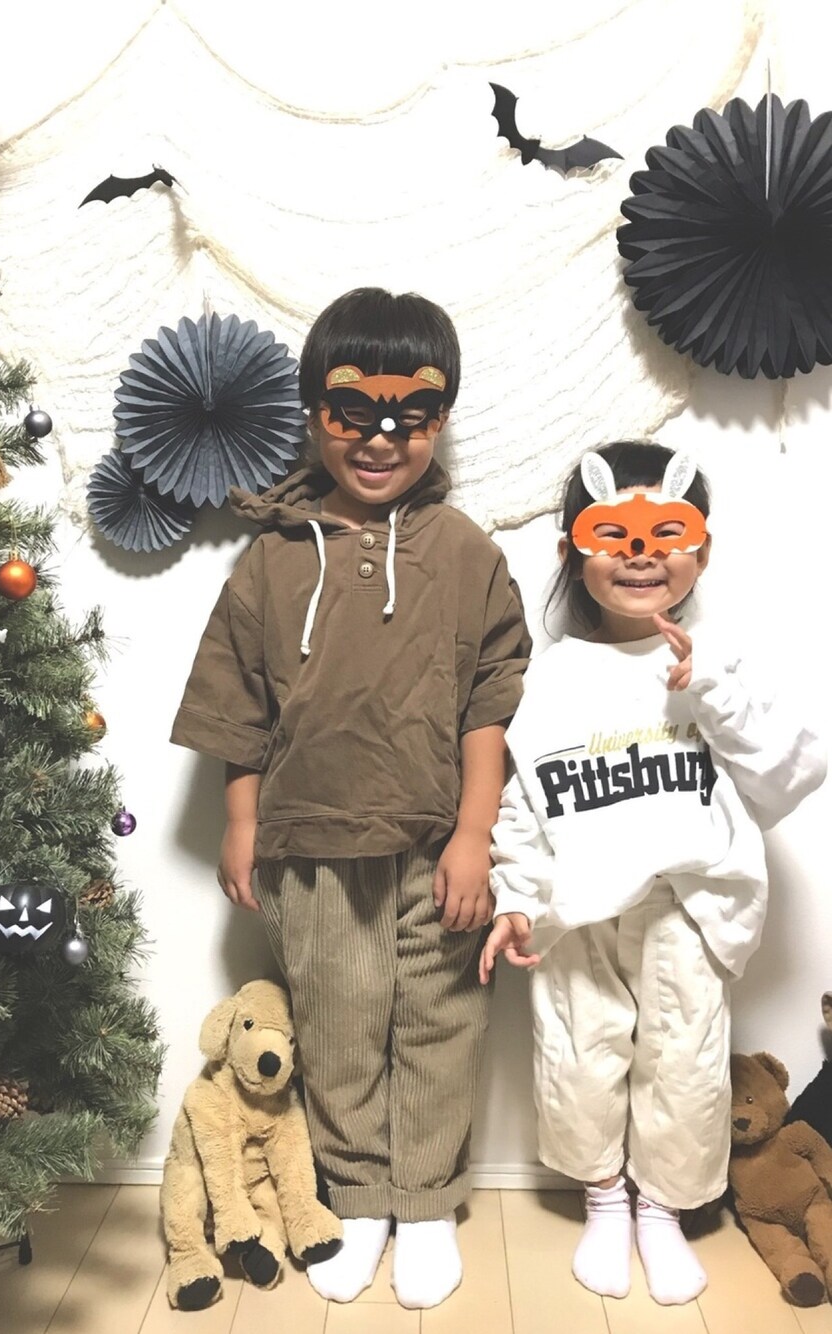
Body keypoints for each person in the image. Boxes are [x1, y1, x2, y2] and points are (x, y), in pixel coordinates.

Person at [172, 287, 531, 1309]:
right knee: (335, 1030)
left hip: (437, 848)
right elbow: (238, 702)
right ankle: (359, 1195)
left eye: (409, 415)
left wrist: (475, 833)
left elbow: (491, 699)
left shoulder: (466, 552)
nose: (380, 438)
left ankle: (426, 1201)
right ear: (312, 411)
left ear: (440, 417)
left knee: (440, 1026)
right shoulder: (271, 559)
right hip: (312, 850)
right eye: (352, 412)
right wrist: (242, 821)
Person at [479, 440, 825, 1305]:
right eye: (613, 535)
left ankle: (663, 1210)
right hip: (579, 907)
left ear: (700, 550)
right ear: (573, 552)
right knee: (578, 1056)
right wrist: (516, 896)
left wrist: (713, 694)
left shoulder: (722, 662)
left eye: (667, 533)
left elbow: (790, 776)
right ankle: (604, 1200)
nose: (640, 554)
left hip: (688, 903)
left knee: (685, 1065)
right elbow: (524, 802)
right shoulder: (552, 678)